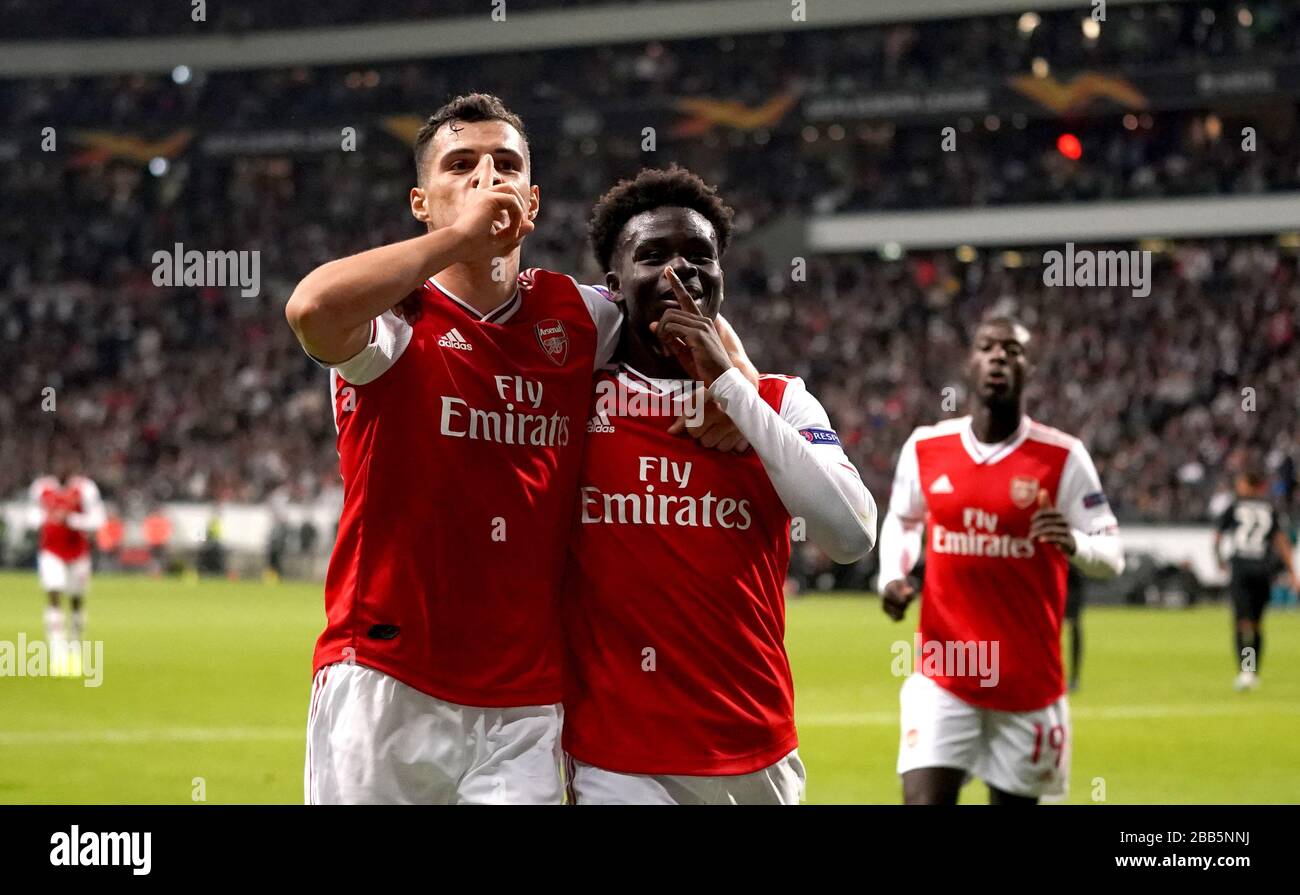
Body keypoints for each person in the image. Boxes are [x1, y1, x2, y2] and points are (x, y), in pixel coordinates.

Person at [286, 94, 752, 804]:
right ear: (422, 200)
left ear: (532, 199)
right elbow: (309, 311)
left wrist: (735, 384)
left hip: (524, 704)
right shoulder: (394, 319)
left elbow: (673, 304)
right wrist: (459, 243)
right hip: (386, 678)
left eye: (506, 164)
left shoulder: (574, 314)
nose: (486, 178)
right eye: (461, 165)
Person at [562, 167, 876, 804]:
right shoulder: (572, 404)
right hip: (617, 760)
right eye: (652, 256)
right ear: (613, 286)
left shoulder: (781, 403)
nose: (681, 272)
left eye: (700, 256)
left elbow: (852, 535)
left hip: (754, 748)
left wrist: (734, 389)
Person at [877, 317, 1124, 805]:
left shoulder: (1063, 458)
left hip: (1028, 688)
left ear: (1030, 368)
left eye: (1012, 351)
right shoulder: (927, 447)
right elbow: (903, 520)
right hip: (943, 674)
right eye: (987, 347)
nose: (998, 358)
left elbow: (1113, 553)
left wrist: (1075, 543)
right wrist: (892, 576)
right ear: (970, 364)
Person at [1213, 465, 1296, 691]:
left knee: (1243, 624)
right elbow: (1281, 543)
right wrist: (1293, 574)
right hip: (1262, 569)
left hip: (1241, 569)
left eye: (1241, 482)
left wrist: (1219, 560)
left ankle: (1246, 670)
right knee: (1257, 624)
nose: (1237, 486)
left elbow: (1217, 537)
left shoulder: (1235, 506)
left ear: (1250, 484)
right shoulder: (1270, 508)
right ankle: (1253, 672)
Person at [28, 453, 106, 677]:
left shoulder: (85, 489)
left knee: (76, 600)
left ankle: (75, 648)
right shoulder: (42, 488)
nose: (63, 466)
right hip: (51, 551)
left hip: (77, 553)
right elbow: (31, 516)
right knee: (53, 593)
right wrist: (47, 517)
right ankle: (56, 653)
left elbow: (98, 520)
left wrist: (71, 520)